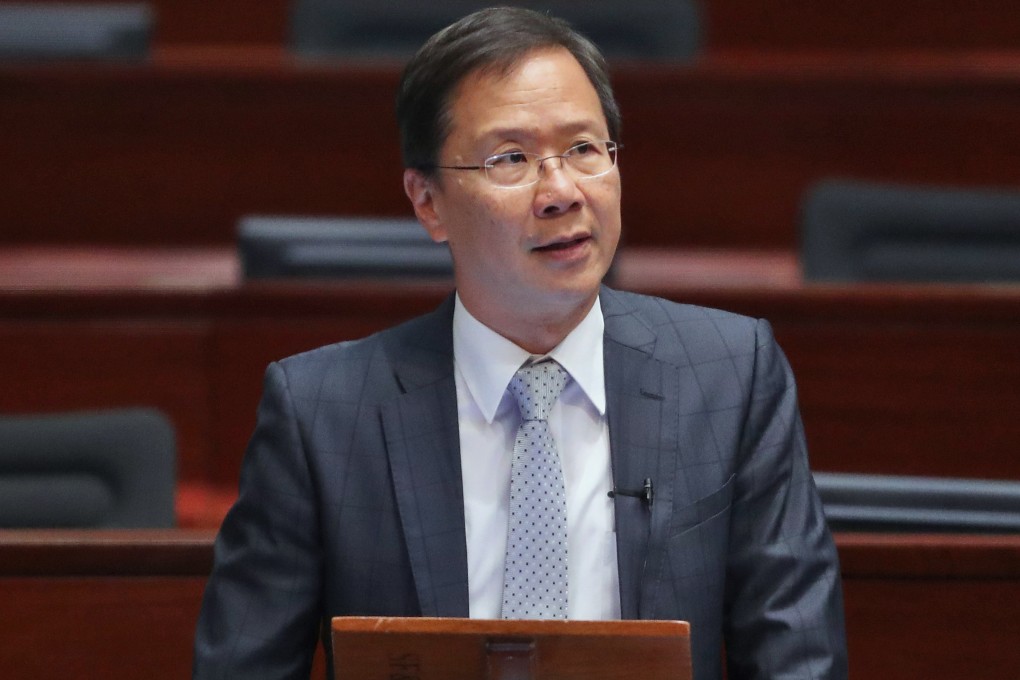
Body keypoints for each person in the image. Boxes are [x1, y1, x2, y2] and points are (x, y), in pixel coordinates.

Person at [193, 7, 847, 679]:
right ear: (428, 202)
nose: (561, 191)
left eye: (586, 149)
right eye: (512, 159)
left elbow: (796, 660)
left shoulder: (730, 377)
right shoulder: (321, 414)